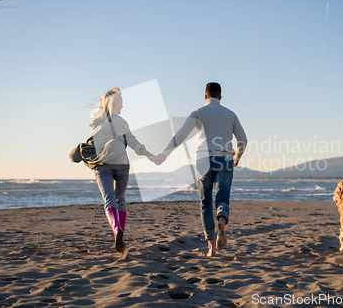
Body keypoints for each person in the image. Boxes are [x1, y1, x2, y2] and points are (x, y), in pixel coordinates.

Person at [156, 82, 247, 257]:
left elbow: (181, 135)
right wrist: (236, 157)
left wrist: (165, 153)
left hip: (204, 160)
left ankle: (211, 248)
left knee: (205, 203)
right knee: (222, 199)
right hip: (226, 160)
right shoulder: (231, 114)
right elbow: (243, 140)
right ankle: (221, 219)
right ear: (220, 97)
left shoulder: (198, 112)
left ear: (205, 97)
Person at [90, 87, 159, 255]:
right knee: (120, 199)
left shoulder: (96, 121)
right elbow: (132, 141)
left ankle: (116, 230)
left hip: (102, 165)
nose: (123, 106)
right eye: (121, 103)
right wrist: (149, 155)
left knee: (109, 200)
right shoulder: (120, 121)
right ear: (116, 103)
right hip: (121, 165)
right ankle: (119, 237)